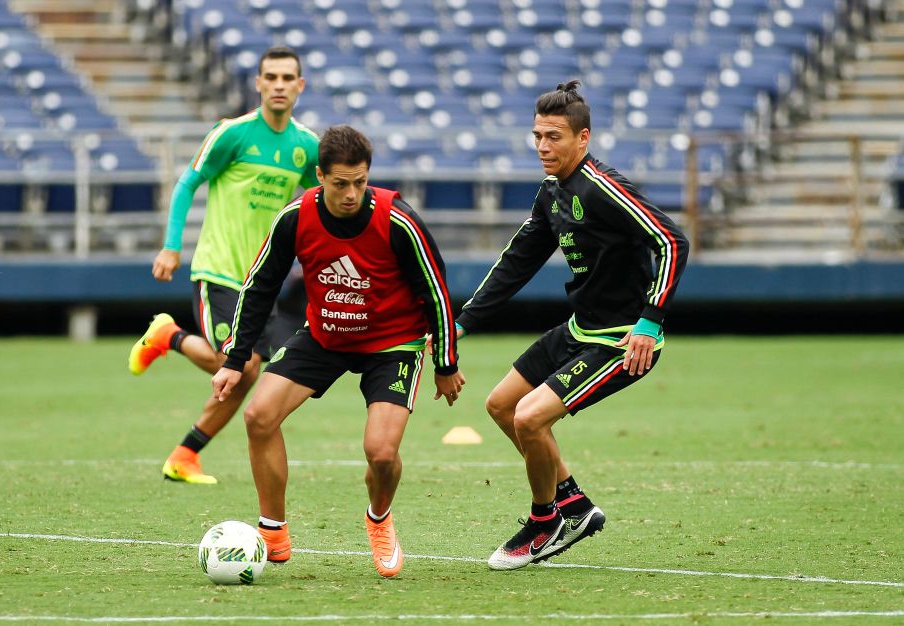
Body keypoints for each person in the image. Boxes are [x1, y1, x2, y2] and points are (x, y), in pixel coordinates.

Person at [453, 80, 689, 570]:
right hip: (580, 329)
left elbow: (671, 240)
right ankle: (574, 506)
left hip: (623, 341)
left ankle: (546, 522)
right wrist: (462, 323)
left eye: (554, 136)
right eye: (538, 135)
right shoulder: (551, 193)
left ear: (583, 139)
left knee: (529, 417)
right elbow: (518, 261)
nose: (543, 146)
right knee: (501, 405)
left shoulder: (604, 187)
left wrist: (650, 320)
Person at [211, 125, 465, 578]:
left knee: (382, 454)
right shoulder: (294, 216)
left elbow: (436, 291)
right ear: (319, 176)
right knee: (258, 416)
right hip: (326, 334)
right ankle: (272, 531)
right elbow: (259, 286)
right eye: (341, 183)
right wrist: (235, 359)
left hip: (394, 343)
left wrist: (446, 363)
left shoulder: (397, 219)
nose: (352, 194)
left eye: (360, 182)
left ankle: (379, 518)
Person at [127, 46, 319, 485]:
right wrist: (171, 246)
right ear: (258, 83)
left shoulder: (306, 146)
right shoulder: (233, 133)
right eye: (270, 77)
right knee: (234, 363)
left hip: (261, 281)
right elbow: (188, 181)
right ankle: (168, 335)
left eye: (288, 78)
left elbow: (319, 200)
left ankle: (184, 455)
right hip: (219, 269)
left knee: (246, 372)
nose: (278, 85)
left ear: (300, 86)